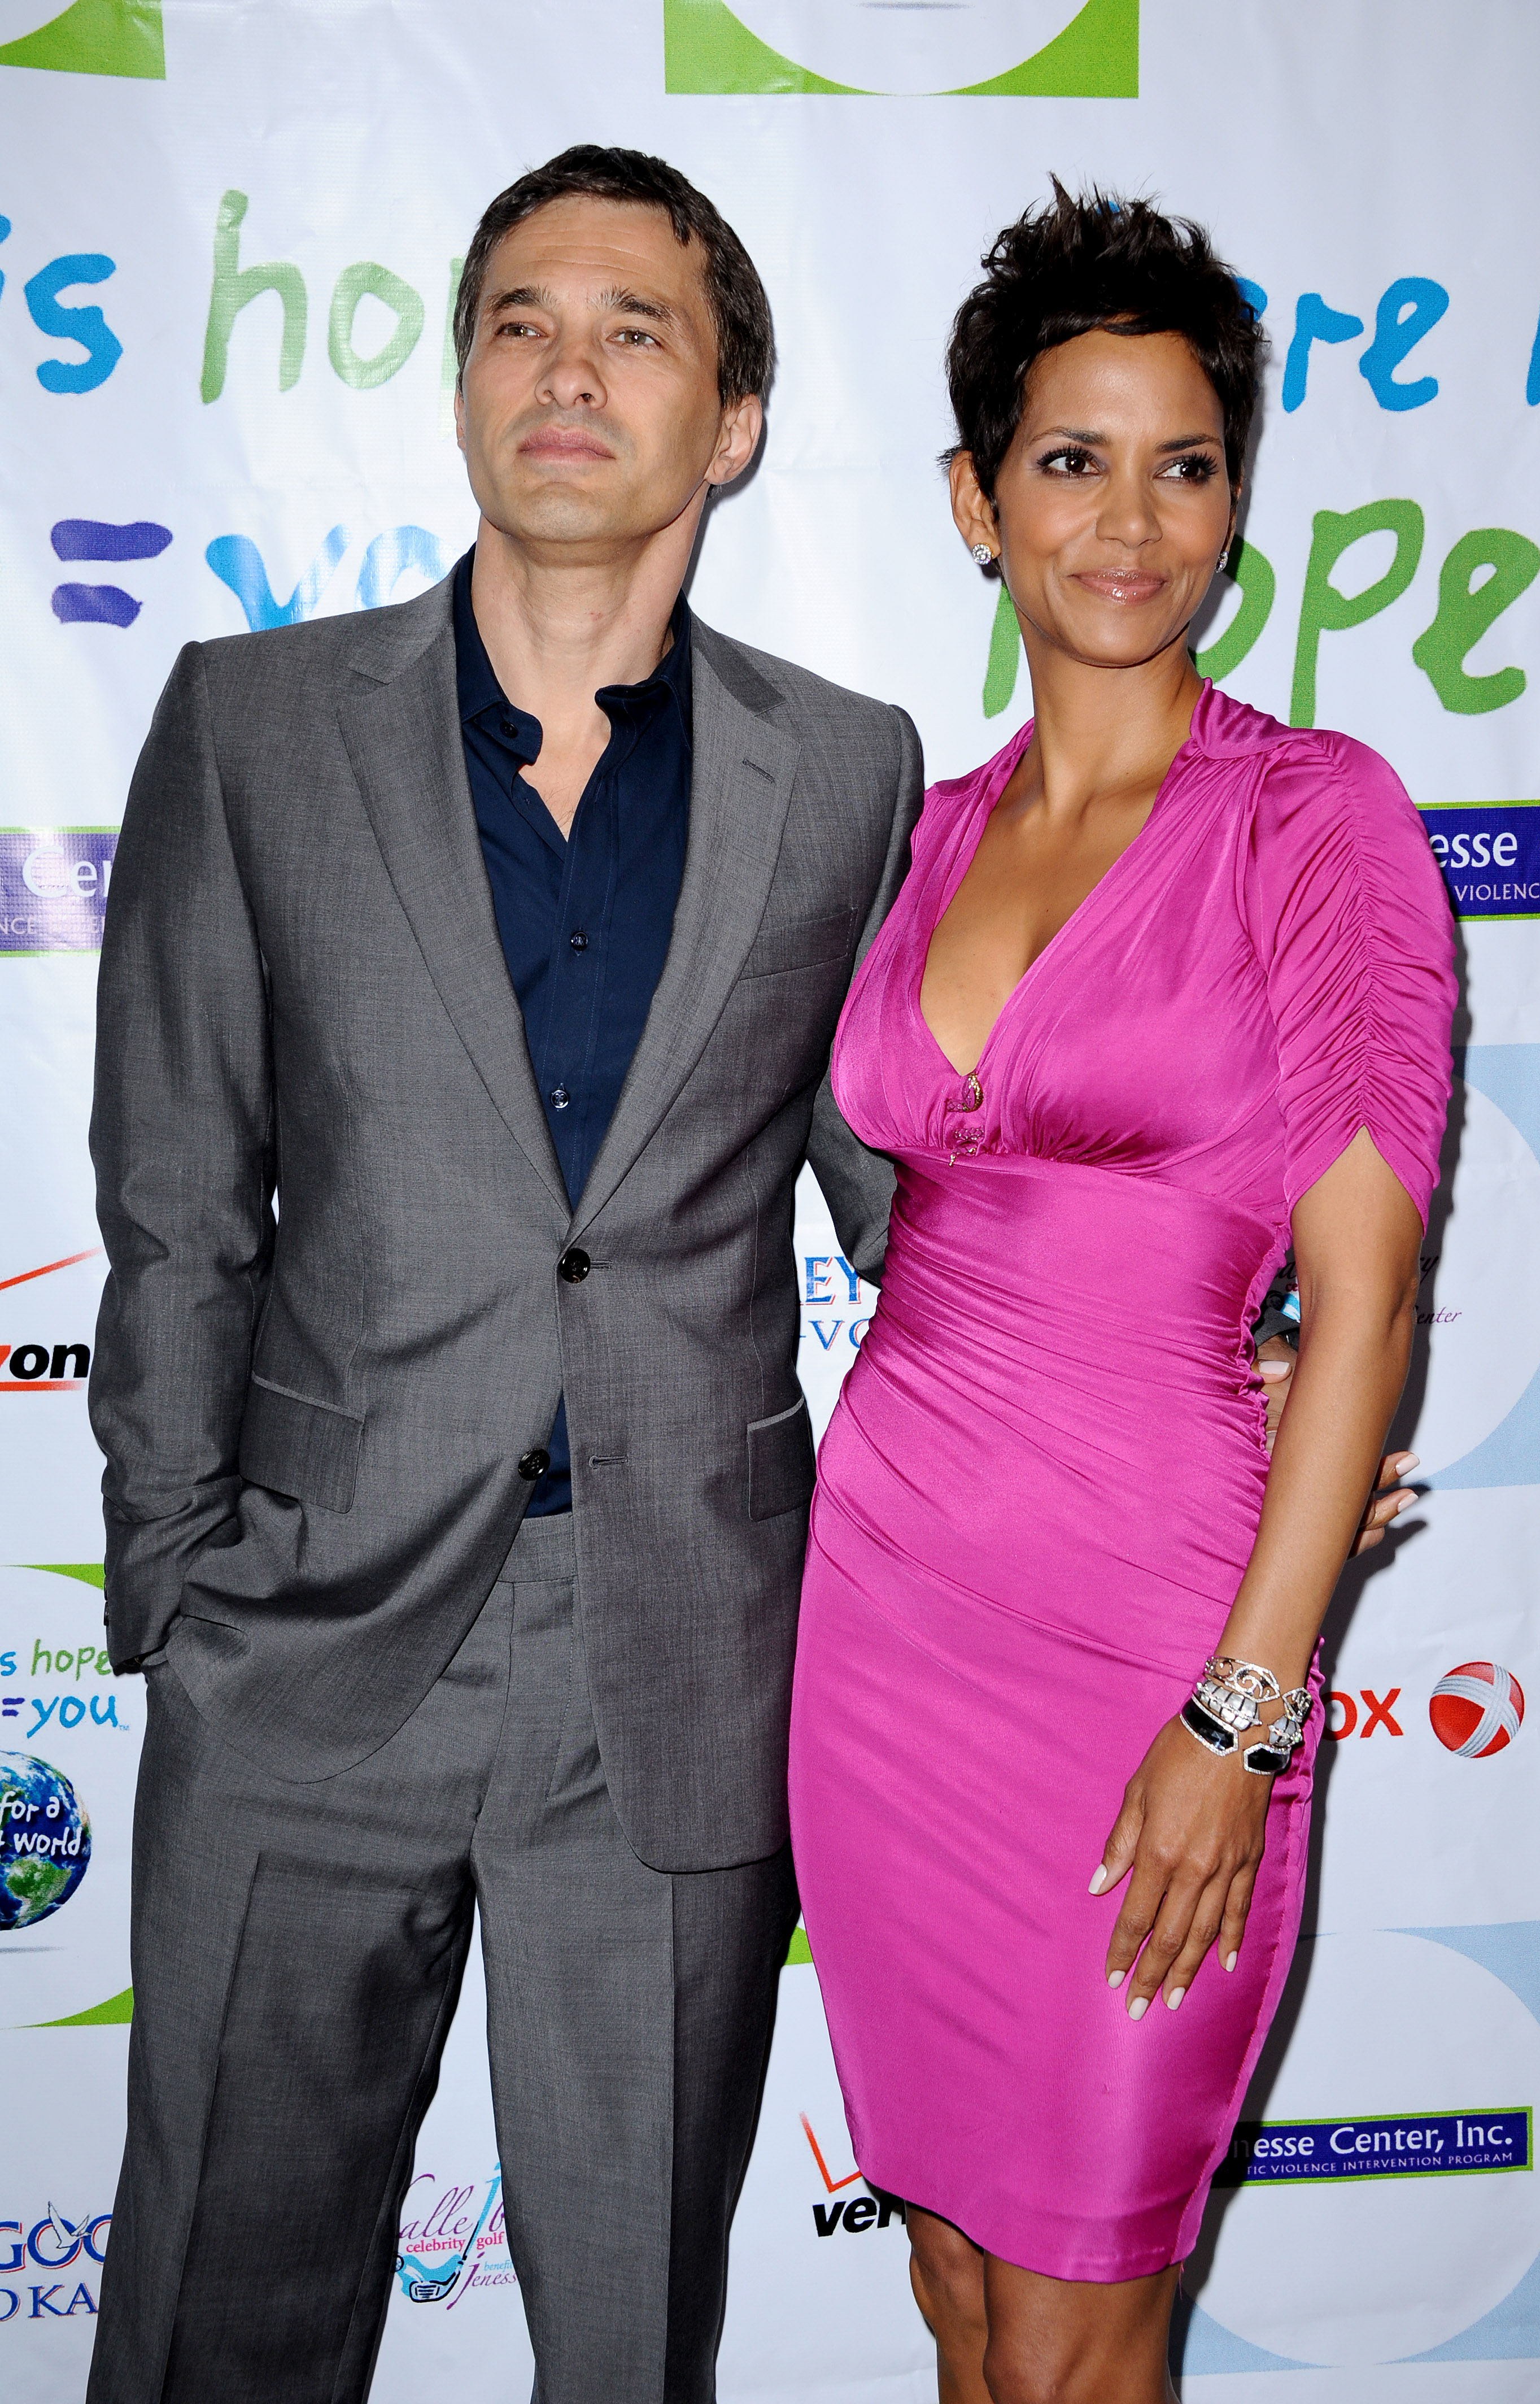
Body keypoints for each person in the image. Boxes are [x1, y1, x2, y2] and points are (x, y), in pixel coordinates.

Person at [84, 146, 924, 2404]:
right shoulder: (252, 725)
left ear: (731, 420)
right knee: (213, 2326)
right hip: (304, 1639)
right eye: (521, 322)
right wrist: (176, 1589)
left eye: (637, 329)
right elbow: (173, 1196)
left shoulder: (849, 774)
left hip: (678, 1655)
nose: (570, 367)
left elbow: (912, 1205)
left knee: (631, 2340)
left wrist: (1200, 1336)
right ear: (463, 385)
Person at [787, 187, 1456, 2404]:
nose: (1133, 521)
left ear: (1237, 502)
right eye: (1072, 460)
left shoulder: (1312, 818)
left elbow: (1365, 1298)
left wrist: (1242, 1717)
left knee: (1081, 2330)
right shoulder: (924, 834)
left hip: (1159, 1651)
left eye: (1187, 464)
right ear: (976, 500)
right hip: (884, 1633)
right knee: (967, 2306)